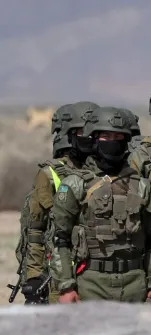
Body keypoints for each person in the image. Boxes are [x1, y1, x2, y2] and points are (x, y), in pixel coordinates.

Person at [50, 107, 151, 303]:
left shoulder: (141, 186)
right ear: (93, 139)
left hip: (135, 285)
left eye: (118, 136)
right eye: (106, 136)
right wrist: (66, 286)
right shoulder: (75, 184)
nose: (112, 141)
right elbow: (59, 239)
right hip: (90, 285)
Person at [17, 101, 100, 304]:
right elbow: (36, 230)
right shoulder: (51, 174)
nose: (87, 136)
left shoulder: (110, 171)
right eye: (81, 131)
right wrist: (34, 275)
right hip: (59, 273)